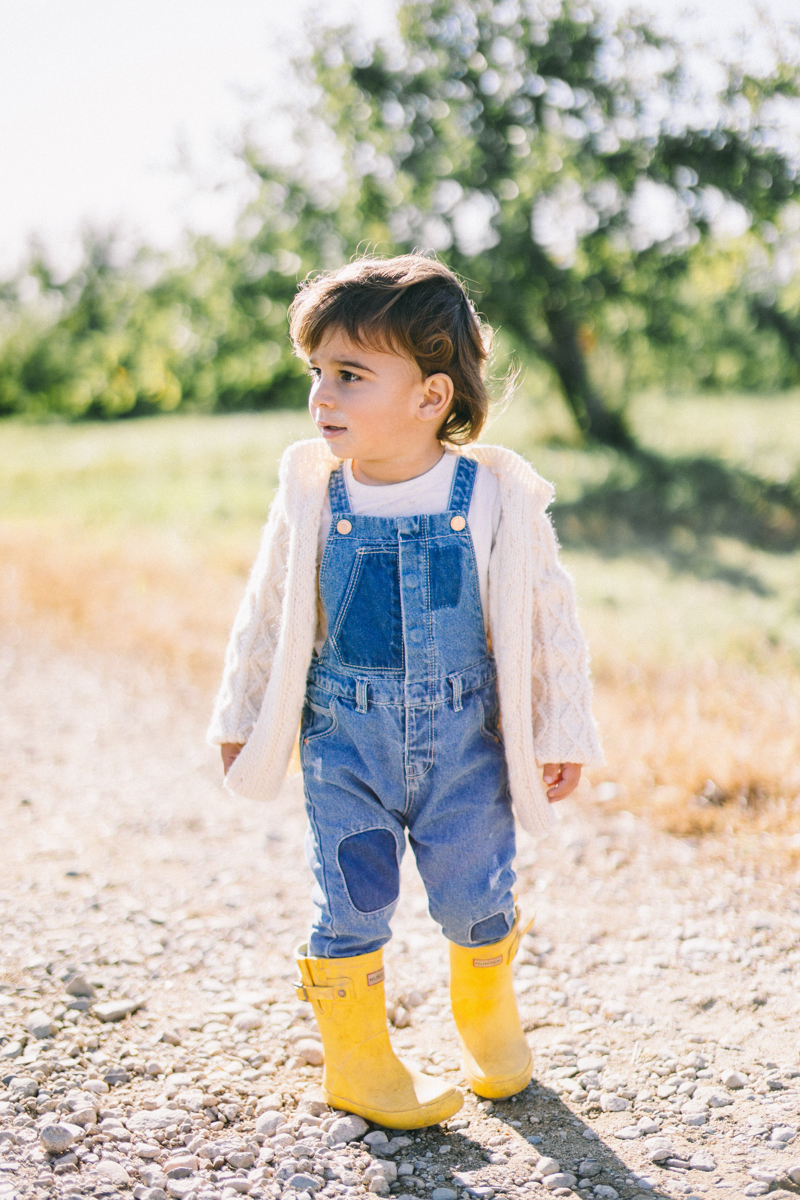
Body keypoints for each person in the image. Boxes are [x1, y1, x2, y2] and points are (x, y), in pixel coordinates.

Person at [207, 254, 602, 1129]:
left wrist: (557, 726)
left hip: (468, 741)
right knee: (353, 897)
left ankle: (485, 1012)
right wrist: (240, 713)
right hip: (345, 741)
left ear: (430, 397)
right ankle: (356, 1060)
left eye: (350, 375)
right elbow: (269, 609)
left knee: (474, 892)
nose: (323, 396)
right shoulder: (314, 491)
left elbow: (546, 618)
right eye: (317, 372)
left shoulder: (494, 492)